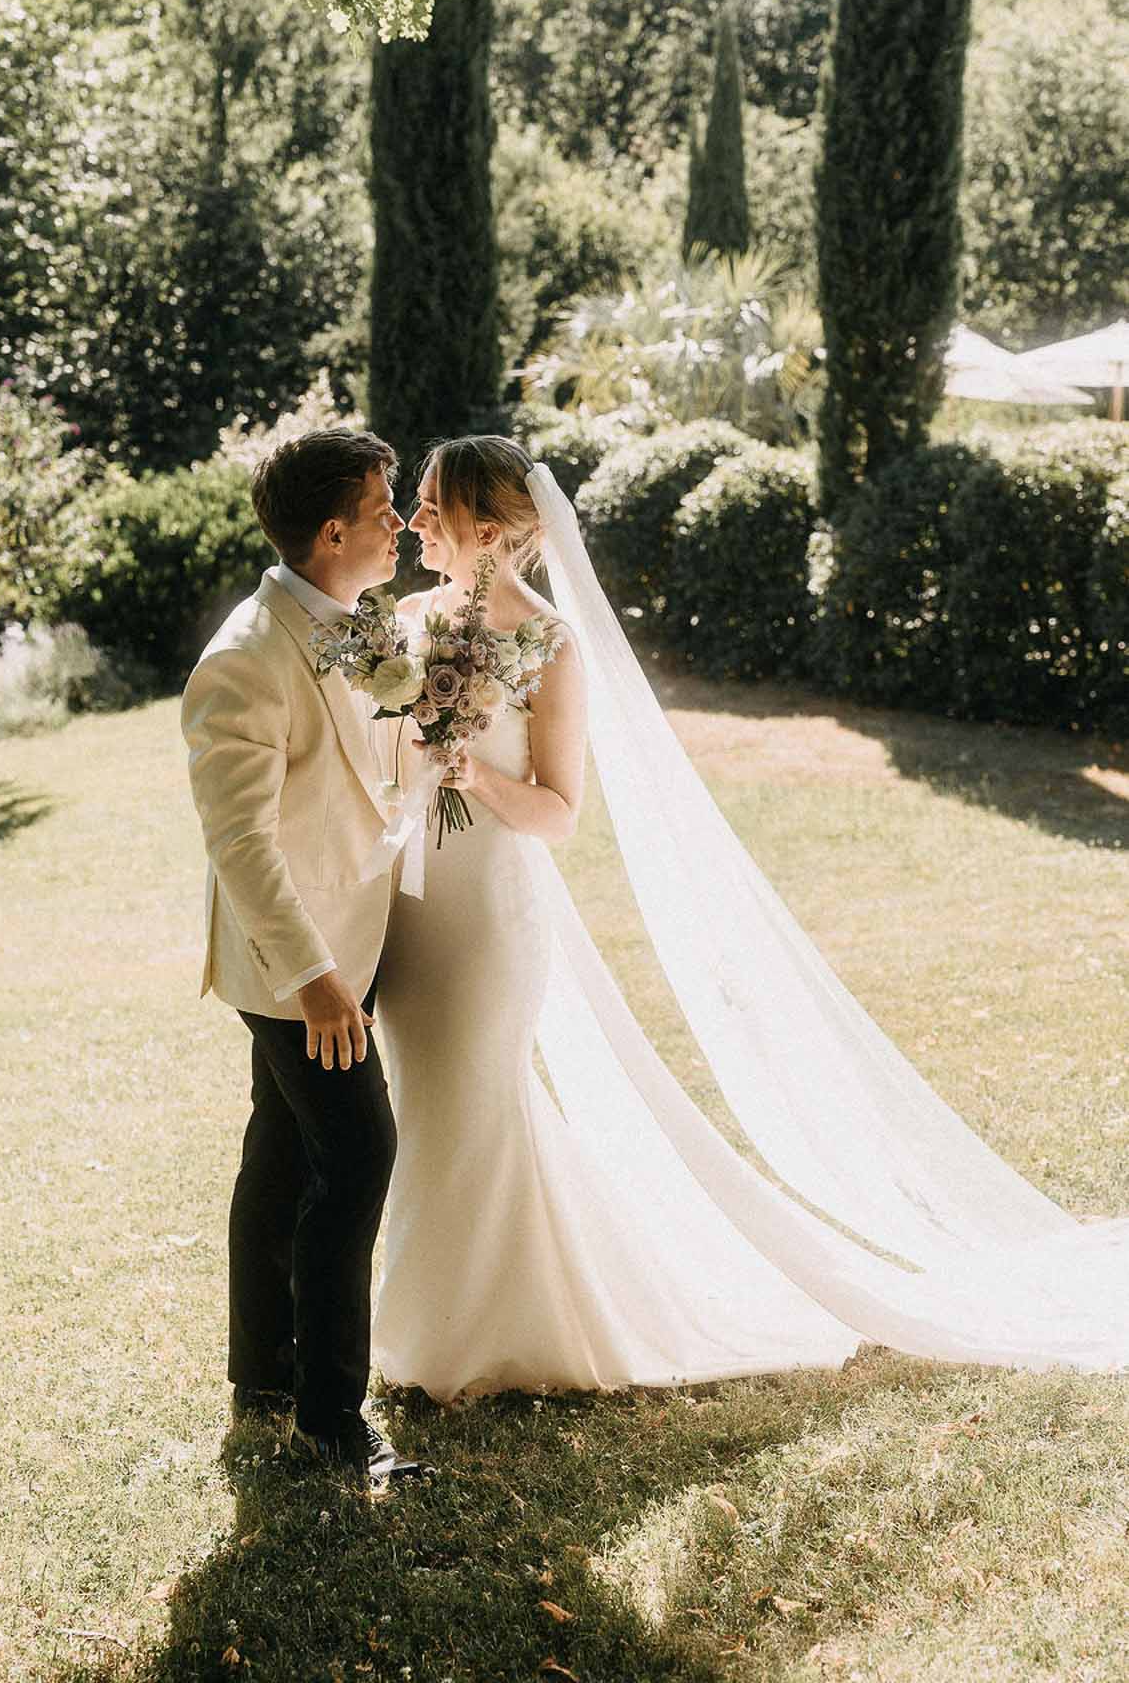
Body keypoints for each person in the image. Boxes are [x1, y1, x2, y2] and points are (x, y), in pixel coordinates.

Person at [371, 435, 1129, 1401]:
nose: (414, 520)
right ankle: (438, 1325)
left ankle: (479, 1341)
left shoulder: (550, 647)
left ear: (485, 528)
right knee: (424, 1108)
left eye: (431, 505)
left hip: (488, 916)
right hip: (408, 908)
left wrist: (473, 771)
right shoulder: (400, 622)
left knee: (475, 1107)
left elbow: (559, 813)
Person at [179, 428, 427, 1481]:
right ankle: (334, 1421)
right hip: (298, 969)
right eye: (385, 509)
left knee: (281, 1154)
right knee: (357, 1157)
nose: (402, 524)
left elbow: (397, 704)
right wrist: (320, 983)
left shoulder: (340, 614)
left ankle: (263, 1374)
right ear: (332, 533)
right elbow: (241, 846)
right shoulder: (242, 661)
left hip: (350, 937)